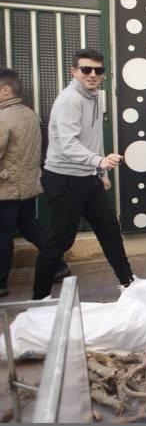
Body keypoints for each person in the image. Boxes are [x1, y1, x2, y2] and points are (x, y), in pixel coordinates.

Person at [32, 49, 134, 300]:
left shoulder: (95, 96)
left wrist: (100, 171)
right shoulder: (70, 100)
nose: (92, 75)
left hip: (87, 176)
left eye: (98, 71)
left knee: (109, 230)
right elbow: (67, 144)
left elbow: (94, 137)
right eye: (86, 69)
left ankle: (129, 284)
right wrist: (99, 161)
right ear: (74, 71)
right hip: (63, 178)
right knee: (60, 240)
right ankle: (39, 299)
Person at [0, 69, 70, 297]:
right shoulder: (30, 114)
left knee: (3, 236)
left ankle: (1, 283)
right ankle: (58, 265)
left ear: (6, 90)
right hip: (29, 185)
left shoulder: (3, 118)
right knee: (31, 227)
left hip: (7, 189)